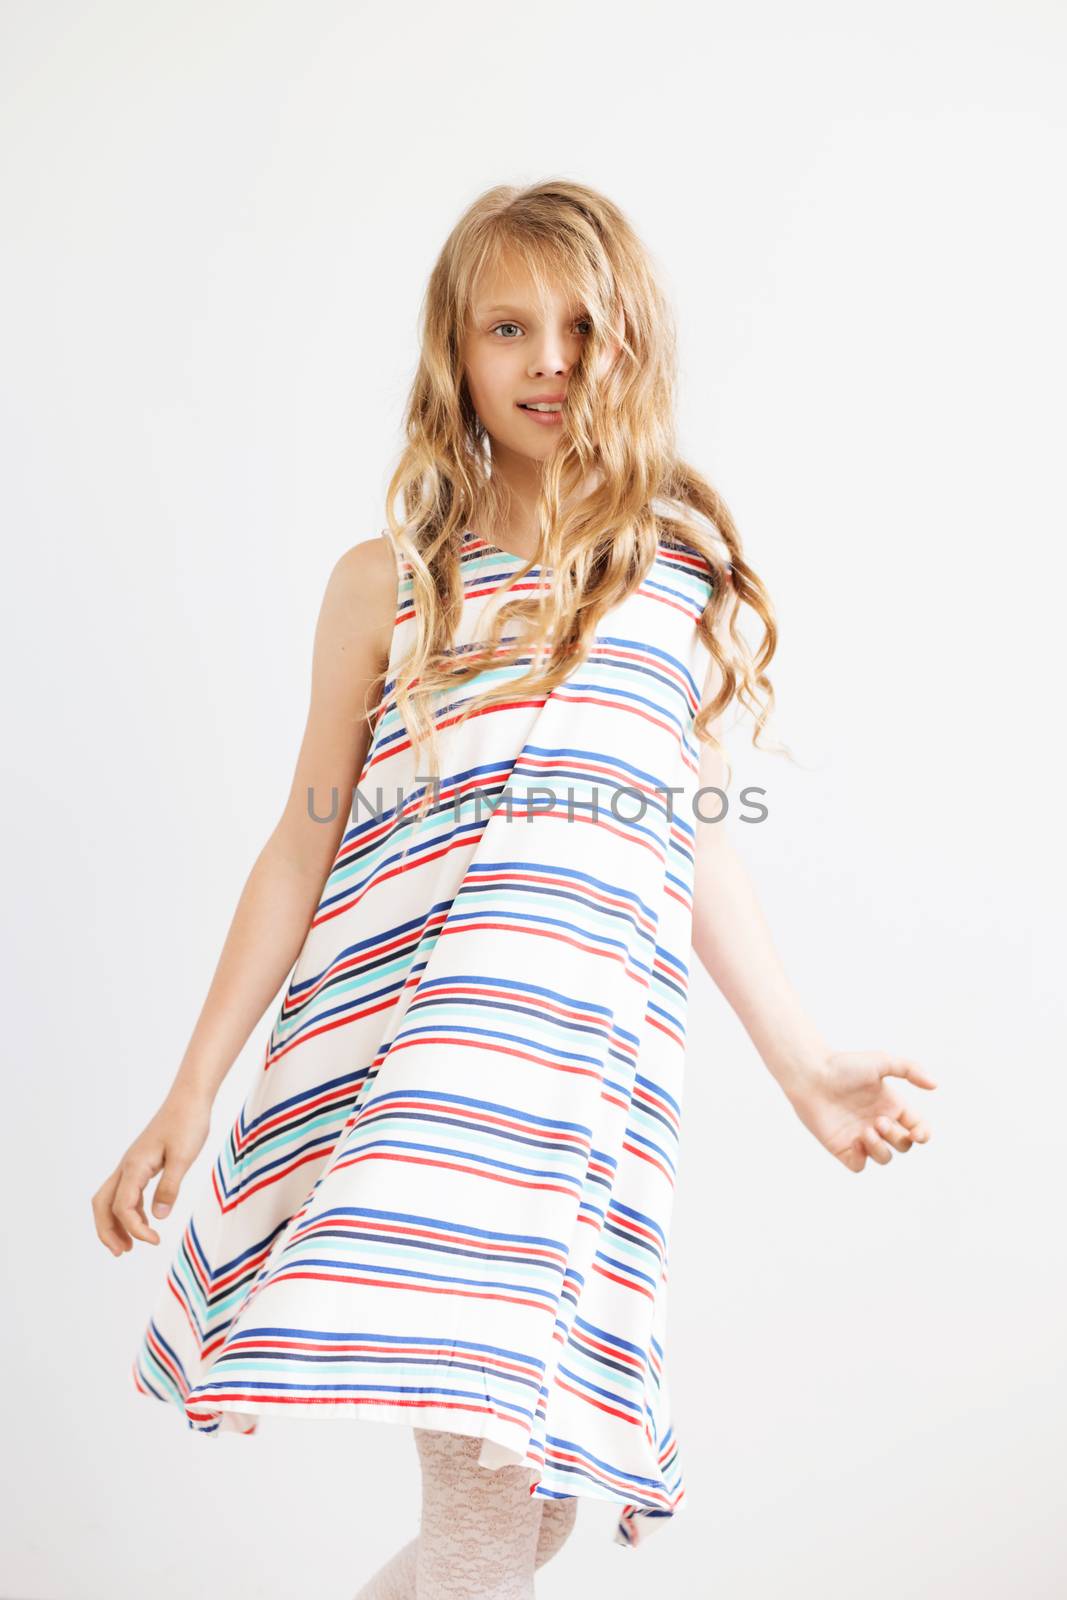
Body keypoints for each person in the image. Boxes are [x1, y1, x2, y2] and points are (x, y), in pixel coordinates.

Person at [92, 178, 936, 1599]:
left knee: (523, 1516)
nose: (548, 358)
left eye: (582, 326)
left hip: (582, 1095)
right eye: (507, 327)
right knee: (491, 1521)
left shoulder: (679, 576)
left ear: (630, 347)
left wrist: (804, 1070)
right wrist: (191, 1094)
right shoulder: (390, 585)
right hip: (429, 1082)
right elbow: (301, 843)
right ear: (455, 354)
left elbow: (696, 841)